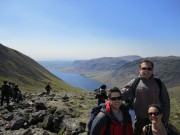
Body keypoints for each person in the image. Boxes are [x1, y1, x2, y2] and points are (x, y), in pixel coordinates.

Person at [121, 59, 170, 135]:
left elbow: (166, 102)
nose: (146, 71)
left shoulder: (159, 83)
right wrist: (112, 97)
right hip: (139, 121)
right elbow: (122, 95)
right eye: (144, 68)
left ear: (152, 70)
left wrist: (164, 120)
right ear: (139, 70)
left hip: (156, 120)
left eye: (149, 68)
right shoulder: (135, 82)